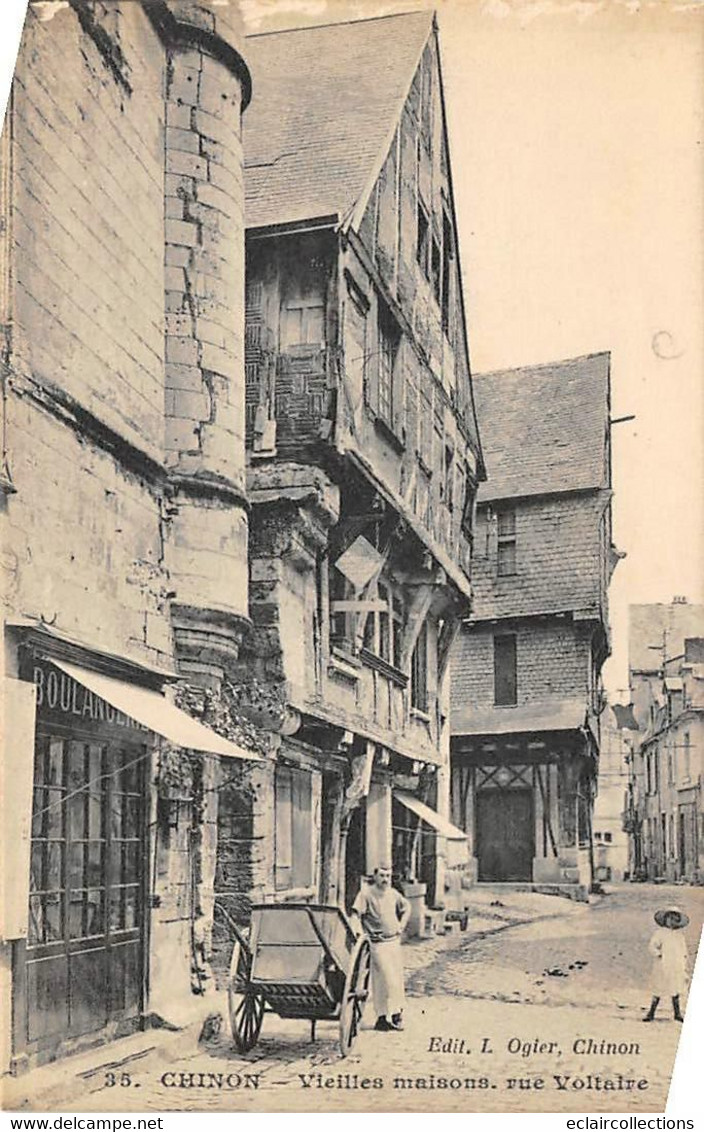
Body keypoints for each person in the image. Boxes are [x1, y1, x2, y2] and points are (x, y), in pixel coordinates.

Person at [351, 864, 410, 1032]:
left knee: (397, 979)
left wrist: (401, 925)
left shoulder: (393, 894)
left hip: (393, 942)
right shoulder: (366, 894)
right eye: (382, 875)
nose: (385, 879)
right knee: (384, 980)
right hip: (377, 943)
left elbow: (406, 908)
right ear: (375, 876)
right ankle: (382, 1017)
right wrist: (360, 934)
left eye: (388, 876)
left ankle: (397, 1015)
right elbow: (356, 915)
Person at [643, 905, 690, 1022]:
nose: (671, 921)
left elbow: (683, 951)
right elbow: (652, 946)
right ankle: (651, 1012)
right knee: (658, 988)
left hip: (676, 966)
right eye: (669, 918)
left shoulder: (680, 936)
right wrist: (658, 954)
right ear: (665, 920)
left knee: (675, 989)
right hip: (662, 965)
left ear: (678, 922)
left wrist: (684, 964)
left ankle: (677, 1013)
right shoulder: (660, 933)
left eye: (674, 919)